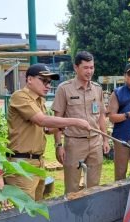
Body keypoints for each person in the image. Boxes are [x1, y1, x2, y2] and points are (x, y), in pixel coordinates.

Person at [5, 63, 91, 201]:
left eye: (49, 82)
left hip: (37, 162)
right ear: (29, 79)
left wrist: (62, 126)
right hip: (21, 163)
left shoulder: (39, 100)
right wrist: (76, 121)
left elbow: (45, 129)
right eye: (43, 80)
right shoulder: (20, 96)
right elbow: (41, 120)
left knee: (37, 208)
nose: (48, 85)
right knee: (24, 214)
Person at [52, 51, 110, 194]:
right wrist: (59, 145)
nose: (89, 71)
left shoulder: (97, 89)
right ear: (75, 68)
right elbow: (57, 120)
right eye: (85, 67)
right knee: (72, 187)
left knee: (94, 186)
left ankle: (91, 214)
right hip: (74, 143)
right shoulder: (64, 89)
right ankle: (71, 215)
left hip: (95, 142)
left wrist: (105, 139)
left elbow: (101, 116)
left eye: (91, 67)